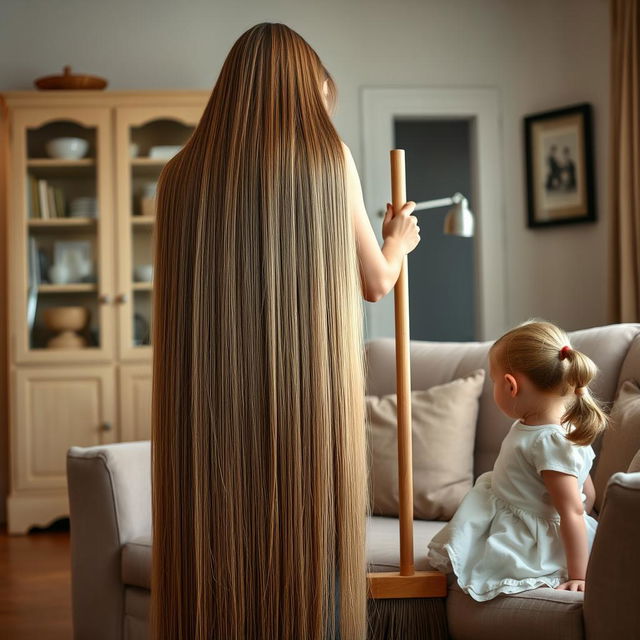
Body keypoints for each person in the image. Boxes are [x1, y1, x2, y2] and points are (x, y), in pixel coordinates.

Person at [150, 22, 419, 640]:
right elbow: (376, 281)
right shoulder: (328, 161)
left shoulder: (182, 178)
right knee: (307, 543)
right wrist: (397, 239)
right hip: (303, 395)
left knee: (214, 542)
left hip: (207, 398)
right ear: (308, 92)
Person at [427, 320, 609, 602]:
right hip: (511, 504)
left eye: (494, 380)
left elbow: (572, 510)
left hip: (528, 536)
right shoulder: (554, 427)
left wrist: (579, 575)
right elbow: (587, 494)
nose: (494, 386)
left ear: (511, 385)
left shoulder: (549, 441)